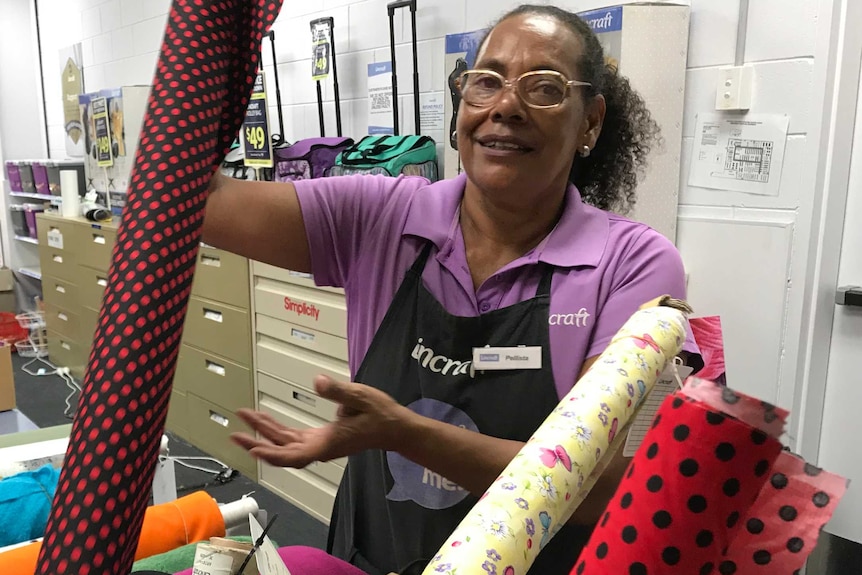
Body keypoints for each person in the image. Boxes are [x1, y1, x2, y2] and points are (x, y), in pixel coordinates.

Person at [202, 4, 702, 574]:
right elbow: (200, 201)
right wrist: (213, 44)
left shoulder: (631, 265)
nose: (505, 106)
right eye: (485, 82)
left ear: (590, 122)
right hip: (374, 555)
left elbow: (595, 487)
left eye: (543, 88)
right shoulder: (380, 218)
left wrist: (404, 434)